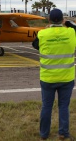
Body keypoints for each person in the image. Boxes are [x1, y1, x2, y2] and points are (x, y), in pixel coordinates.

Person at [32, 9, 75, 141]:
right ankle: (63, 133)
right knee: (63, 106)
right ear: (62, 20)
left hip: (48, 78)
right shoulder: (71, 32)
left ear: (49, 20)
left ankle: (44, 134)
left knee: (46, 106)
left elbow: (35, 45)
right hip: (66, 77)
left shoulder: (42, 34)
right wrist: (68, 23)